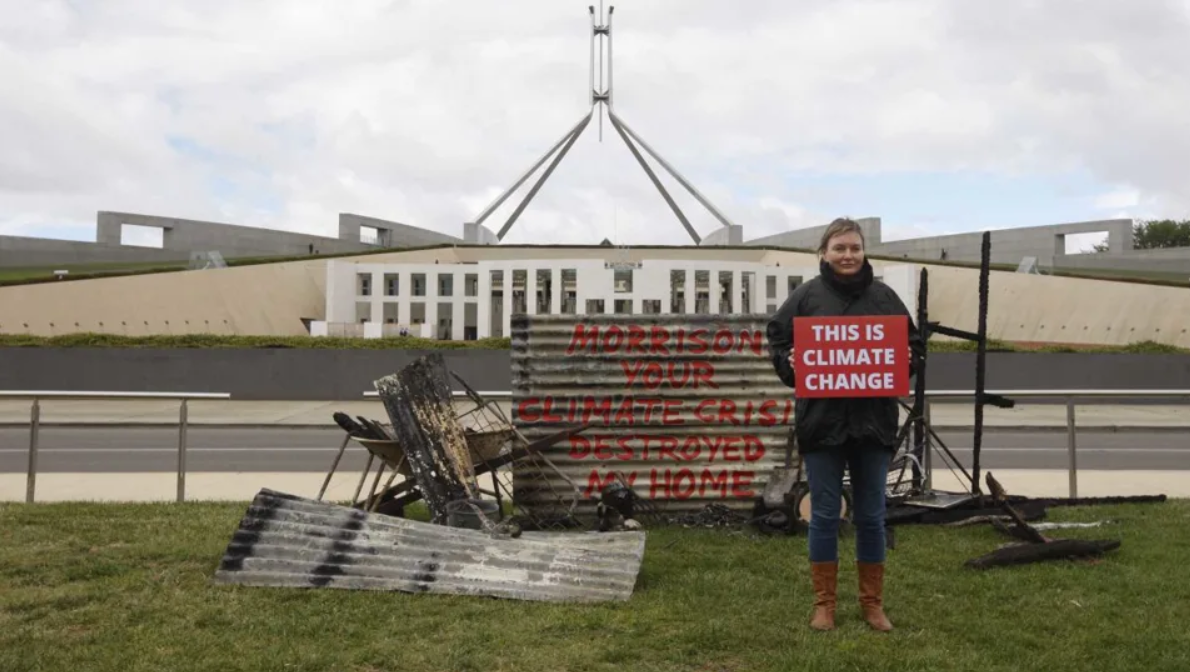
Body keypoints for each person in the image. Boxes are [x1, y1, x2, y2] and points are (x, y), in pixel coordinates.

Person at [765, 217, 925, 632]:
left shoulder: (884, 297)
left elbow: (913, 344)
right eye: (839, 248)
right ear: (824, 253)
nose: (848, 255)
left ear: (864, 251)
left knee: (871, 515)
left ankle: (873, 604)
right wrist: (790, 363)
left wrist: (908, 360)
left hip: (873, 424)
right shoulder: (806, 296)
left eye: (854, 247)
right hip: (823, 424)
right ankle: (825, 606)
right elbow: (778, 338)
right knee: (823, 514)